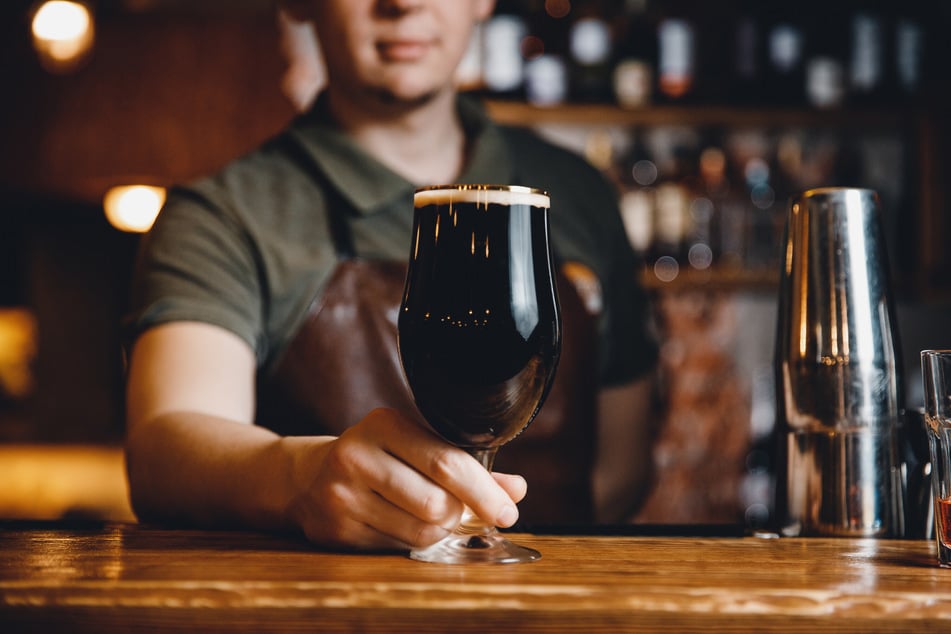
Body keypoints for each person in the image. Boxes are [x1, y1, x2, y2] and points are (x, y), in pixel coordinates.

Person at [123, 0, 657, 552]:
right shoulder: (222, 215)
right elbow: (163, 450)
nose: (404, 4)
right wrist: (300, 478)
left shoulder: (579, 193)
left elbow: (624, 465)